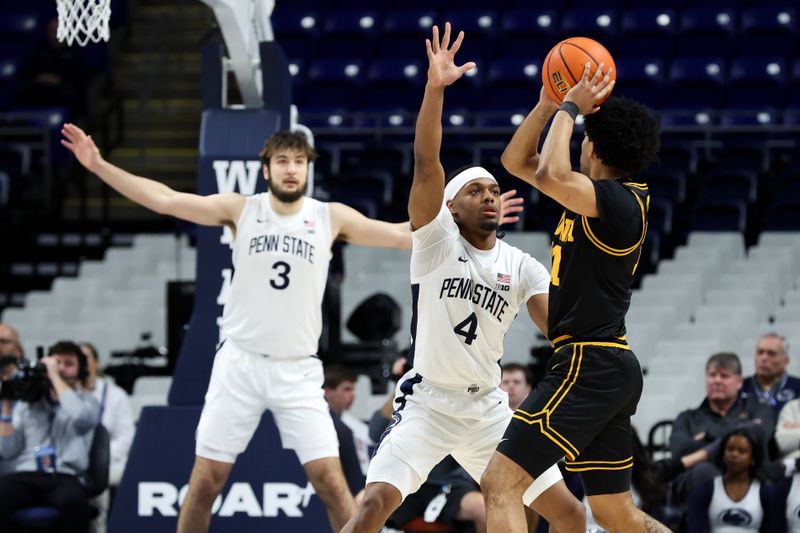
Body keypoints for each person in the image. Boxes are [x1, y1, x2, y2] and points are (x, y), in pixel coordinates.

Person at [61, 120, 521, 532]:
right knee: (204, 483)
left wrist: (467, 219)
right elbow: (164, 199)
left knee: (331, 483)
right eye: (282, 161)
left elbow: (407, 235)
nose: (290, 170)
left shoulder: (328, 216)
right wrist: (99, 165)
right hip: (239, 364)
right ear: (267, 169)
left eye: (299, 162)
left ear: (308, 170)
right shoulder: (240, 209)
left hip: (298, 371)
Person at [341, 24, 569, 533]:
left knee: (569, 514)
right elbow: (426, 163)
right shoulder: (437, 243)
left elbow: (559, 327)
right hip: (428, 401)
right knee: (373, 504)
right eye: (476, 190)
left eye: (494, 190)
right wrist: (435, 89)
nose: (490, 195)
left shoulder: (522, 264)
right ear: (451, 208)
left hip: (487, 407)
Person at [481, 58, 667, 532]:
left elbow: (549, 174)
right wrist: (547, 106)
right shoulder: (597, 195)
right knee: (612, 512)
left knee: (501, 482)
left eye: (586, 138)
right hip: (603, 365)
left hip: (588, 365)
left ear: (596, 147)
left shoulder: (622, 202)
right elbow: (516, 164)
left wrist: (570, 106)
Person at [0, 341, 100, 533]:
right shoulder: (27, 405)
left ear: (81, 370)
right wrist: (6, 406)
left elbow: (79, 416)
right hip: (27, 475)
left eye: (68, 363)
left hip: (65, 476)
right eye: (56, 363)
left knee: (73, 503)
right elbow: (7, 450)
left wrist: (54, 376)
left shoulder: (88, 403)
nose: (61, 368)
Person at [670, 352, 777, 500]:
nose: (717, 381)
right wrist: (738, 434)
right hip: (697, 485)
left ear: (739, 382)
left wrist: (707, 436)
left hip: (750, 481)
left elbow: (761, 435)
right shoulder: (688, 418)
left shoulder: (760, 409)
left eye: (724, 376)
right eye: (712, 375)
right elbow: (679, 451)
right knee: (703, 470)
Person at [80, 342, 134, 533]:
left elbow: (126, 436)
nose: (82, 364)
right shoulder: (64, 394)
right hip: (72, 464)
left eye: (85, 358)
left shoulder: (115, 395)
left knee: (99, 477)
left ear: (96, 363)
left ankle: (99, 528)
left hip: (110, 461)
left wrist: (98, 460)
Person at [686, 428, 768, 532]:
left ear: (753, 458)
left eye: (741, 451)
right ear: (723, 453)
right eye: (730, 449)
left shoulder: (765, 492)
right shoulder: (706, 490)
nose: (734, 454)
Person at [324, 365, 372, 479]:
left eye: (353, 389)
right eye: (346, 389)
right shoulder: (321, 424)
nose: (352, 395)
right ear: (328, 392)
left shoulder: (356, 425)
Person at [740, 333, 800, 416]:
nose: (764, 358)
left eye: (771, 353)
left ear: (786, 360)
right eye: (760, 352)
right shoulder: (740, 387)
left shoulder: (797, 388)